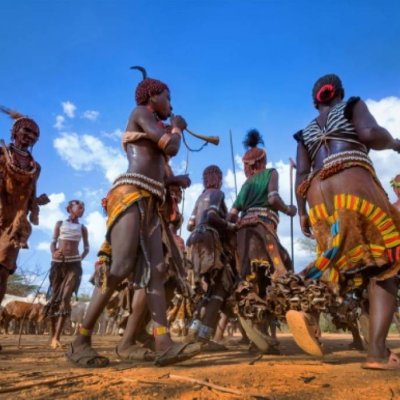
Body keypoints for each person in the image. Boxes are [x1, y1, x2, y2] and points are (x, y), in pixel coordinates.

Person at [67, 68, 200, 367]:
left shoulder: (153, 123)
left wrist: (173, 180)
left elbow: (155, 165)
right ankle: (80, 341)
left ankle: (162, 342)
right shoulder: (141, 112)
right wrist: (176, 128)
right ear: (152, 96)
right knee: (122, 265)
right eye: (168, 97)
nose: (171, 104)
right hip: (130, 193)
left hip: (150, 200)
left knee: (157, 269)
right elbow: (171, 146)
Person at [291, 73, 400, 369]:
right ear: (339, 93)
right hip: (351, 180)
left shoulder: (304, 132)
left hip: (317, 194)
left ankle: (305, 308)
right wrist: (394, 143)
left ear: (315, 103)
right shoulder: (352, 105)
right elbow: (369, 133)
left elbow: (301, 174)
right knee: (384, 265)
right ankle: (377, 352)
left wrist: (302, 212)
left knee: (332, 262)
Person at [228, 129, 296, 352]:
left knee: (249, 281)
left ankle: (257, 336)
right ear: (262, 161)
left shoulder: (246, 185)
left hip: (242, 234)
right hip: (264, 228)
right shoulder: (271, 173)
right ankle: (264, 333)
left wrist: (234, 227)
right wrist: (289, 209)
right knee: (278, 273)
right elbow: (273, 198)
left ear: (249, 165)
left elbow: (232, 214)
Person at [0, 107, 49, 350]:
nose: (30, 136)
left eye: (34, 134)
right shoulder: (2, 154)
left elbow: (30, 195)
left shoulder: (34, 167)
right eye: (26, 131)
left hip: (15, 225)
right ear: (15, 132)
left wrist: (37, 202)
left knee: (1, 273)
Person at [186, 165, 237, 350]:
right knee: (220, 288)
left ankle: (193, 330)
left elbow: (190, 225)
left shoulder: (200, 198)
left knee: (208, 290)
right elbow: (212, 216)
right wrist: (230, 226)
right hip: (209, 241)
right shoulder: (217, 193)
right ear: (219, 179)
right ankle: (204, 337)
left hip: (194, 242)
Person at [44, 200, 89, 349]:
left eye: (83, 208)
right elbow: (53, 242)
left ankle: (57, 337)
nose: (82, 210)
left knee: (65, 298)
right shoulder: (60, 224)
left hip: (74, 265)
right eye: (79, 208)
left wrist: (79, 258)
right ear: (70, 208)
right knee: (55, 299)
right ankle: (52, 336)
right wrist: (54, 252)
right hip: (58, 264)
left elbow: (87, 248)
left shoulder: (83, 228)